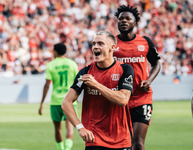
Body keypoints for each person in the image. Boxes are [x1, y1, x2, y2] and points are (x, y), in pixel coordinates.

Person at [62, 31, 134, 150]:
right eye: (94, 44)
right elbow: (66, 102)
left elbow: (122, 100)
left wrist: (96, 85)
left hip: (121, 140)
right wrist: (80, 127)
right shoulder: (85, 72)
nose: (95, 47)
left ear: (112, 48)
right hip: (95, 139)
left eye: (100, 44)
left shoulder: (125, 69)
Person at [113, 5, 161, 150]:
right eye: (121, 18)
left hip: (142, 98)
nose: (124, 21)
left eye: (128, 18)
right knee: (124, 144)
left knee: (138, 143)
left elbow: (156, 63)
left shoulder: (145, 41)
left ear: (135, 22)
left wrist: (149, 80)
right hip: (120, 99)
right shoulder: (111, 43)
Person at [38, 43, 78, 150]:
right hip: (69, 101)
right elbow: (78, 82)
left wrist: (41, 103)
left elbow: (47, 85)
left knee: (57, 128)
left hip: (55, 101)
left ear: (55, 52)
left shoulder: (51, 65)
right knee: (69, 127)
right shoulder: (72, 64)